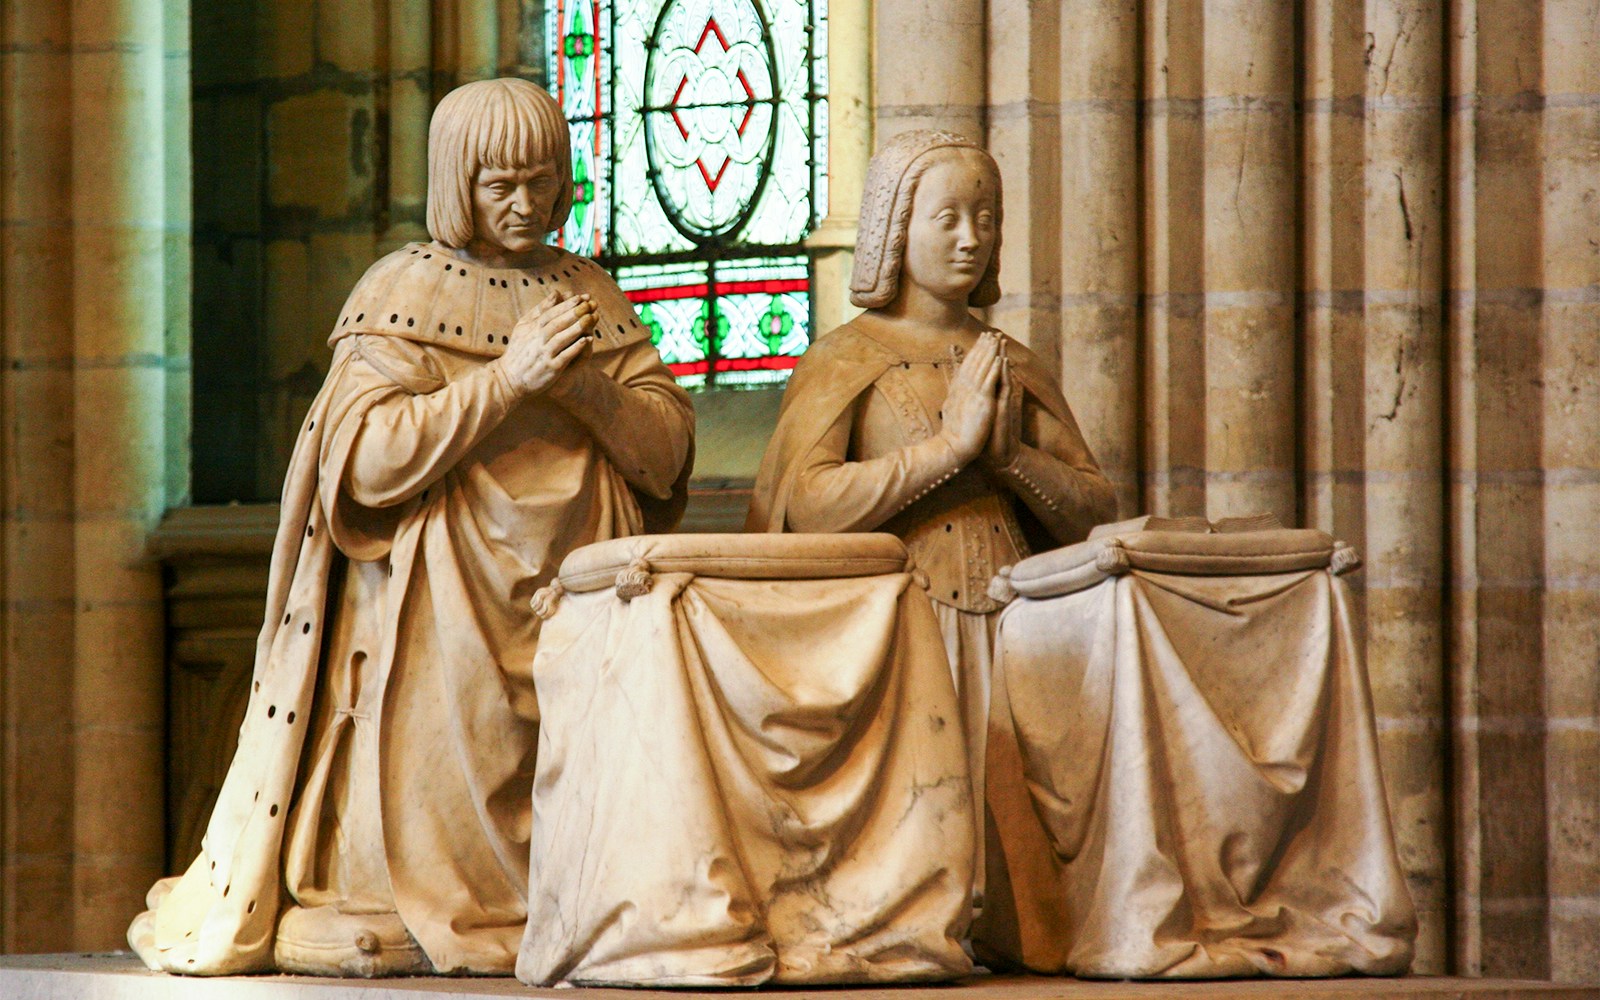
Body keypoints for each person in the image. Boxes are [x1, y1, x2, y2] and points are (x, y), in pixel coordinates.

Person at [129, 78, 694, 977]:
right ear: (455, 182)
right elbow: (360, 458)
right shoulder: (405, 289)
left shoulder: (590, 291)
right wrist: (506, 382)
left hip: (578, 592)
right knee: (436, 801)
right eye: (499, 184)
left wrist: (578, 383)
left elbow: (663, 455)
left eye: (542, 181)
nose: (525, 204)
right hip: (443, 605)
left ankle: (566, 903)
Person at [745, 129, 1117, 968]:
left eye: (984, 217)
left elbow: (1094, 505)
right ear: (892, 229)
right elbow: (807, 504)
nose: (970, 237)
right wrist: (944, 453)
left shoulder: (1010, 362)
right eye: (947, 216)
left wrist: (1010, 458)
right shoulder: (846, 359)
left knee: (1014, 857)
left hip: (1013, 630)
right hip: (896, 631)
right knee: (909, 854)